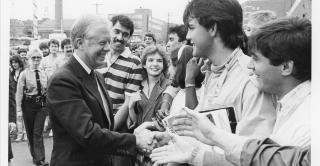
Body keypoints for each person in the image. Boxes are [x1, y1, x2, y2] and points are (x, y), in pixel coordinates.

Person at [152, 16, 311, 166]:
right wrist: (191, 147)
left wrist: (205, 144)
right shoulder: (289, 106)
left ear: (285, 67)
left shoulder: (307, 123)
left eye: (255, 59)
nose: (250, 66)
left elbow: (254, 158)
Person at [46, 14, 153, 166]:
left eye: (109, 42)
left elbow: (104, 128)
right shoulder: (63, 80)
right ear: (80, 43)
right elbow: (88, 134)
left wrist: (134, 136)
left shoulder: (96, 76)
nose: (108, 48)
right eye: (102, 43)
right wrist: (135, 141)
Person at [127, 45, 170, 165]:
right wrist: (130, 107)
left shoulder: (168, 86)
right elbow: (135, 122)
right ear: (144, 64)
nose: (155, 64)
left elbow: (166, 120)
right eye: (150, 60)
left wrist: (147, 124)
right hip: (140, 143)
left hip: (158, 145)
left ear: (164, 65)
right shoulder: (138, 86)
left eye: (159, 61)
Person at [16, 49, 49, 166]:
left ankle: (40, 159)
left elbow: (47, 92)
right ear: (29, 59)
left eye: (38, 58)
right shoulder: (24, 74)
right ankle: (35, 156)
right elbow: (19, 93)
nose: (36, 60)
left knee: (37, 132)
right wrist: (19, 111)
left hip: (41, 106)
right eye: (33, 58)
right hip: (28, 106)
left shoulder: (44, 73)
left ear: (41, 59)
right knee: (30, 133)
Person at [9, 55, 27, 141]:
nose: (14, 64)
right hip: (15, 96)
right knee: (18, 116)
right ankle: (20, 134)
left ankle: (26, 134)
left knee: (25, 115)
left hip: (24, 96)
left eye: (16, 62)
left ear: (19, 62)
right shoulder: (11, 73)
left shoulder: (24, 71)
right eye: (12, 62)